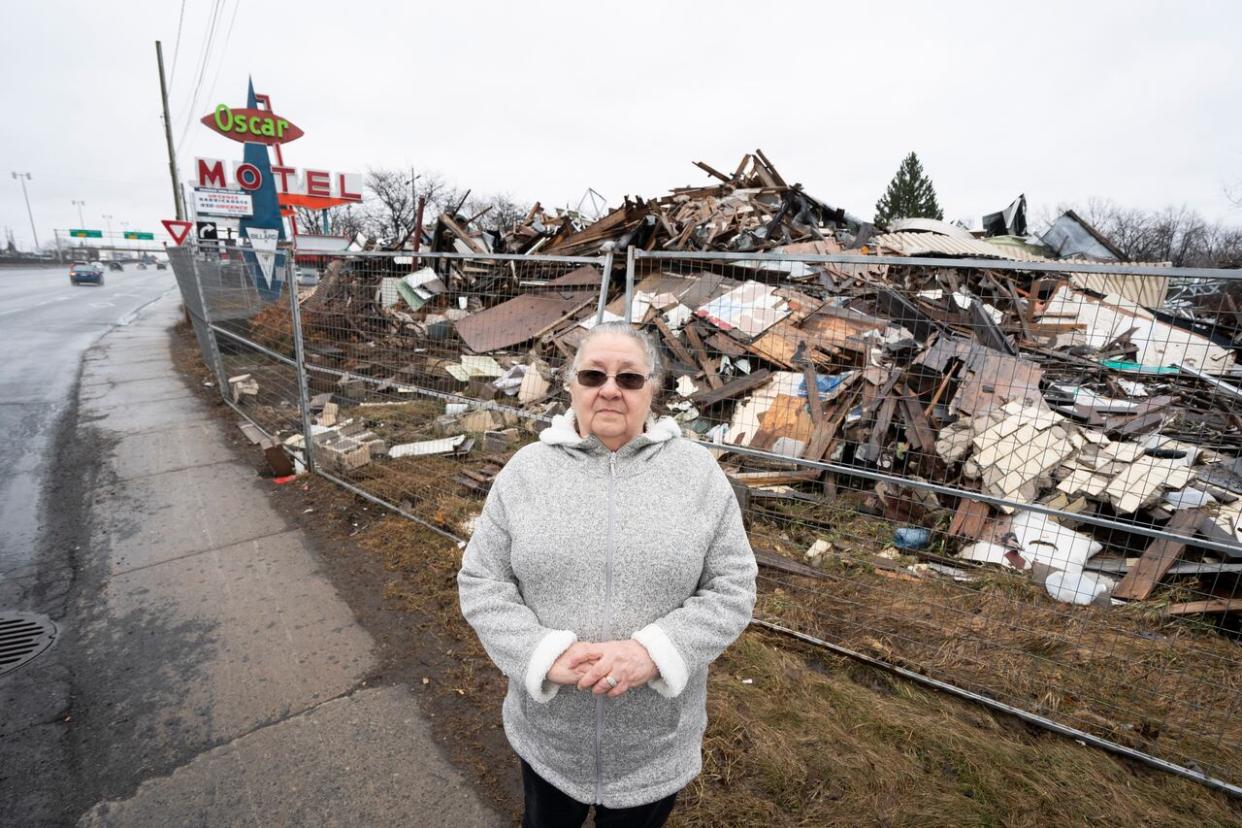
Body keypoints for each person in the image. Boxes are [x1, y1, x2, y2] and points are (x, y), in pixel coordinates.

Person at [458, 321, 757, 828]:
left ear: (653, 390)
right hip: (550, 740)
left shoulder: (697, 474)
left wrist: (655, 653)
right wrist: (542, 655)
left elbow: (733, 587)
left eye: (630, 379)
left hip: (655, 746)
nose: (610, 390)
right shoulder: (526, 472)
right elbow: (482, 582)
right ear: (572, 386)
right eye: (593, 376)